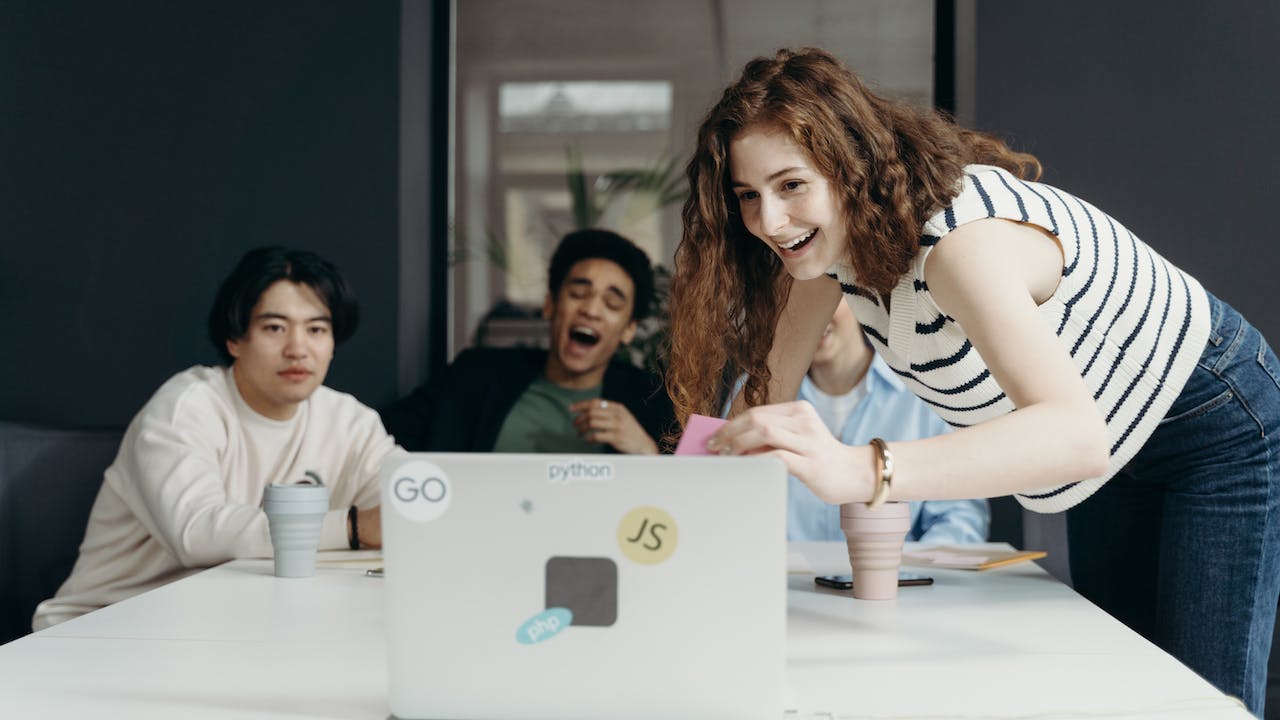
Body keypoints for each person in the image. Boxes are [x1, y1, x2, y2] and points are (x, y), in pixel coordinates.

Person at [666, 47, 1280, 716]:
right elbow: (761, 404)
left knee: (1200, 704)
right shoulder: (818, 260)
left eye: (791, 186)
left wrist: (858, 469)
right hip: (1116, 440)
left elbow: (1074, 437)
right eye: (748, 197)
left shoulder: (958, 245)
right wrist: (675, 541)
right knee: (1126, 693)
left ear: (851, 168)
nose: (769, 223)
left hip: (1211, 420)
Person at [33, 247, 401, 630]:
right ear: (234, 339)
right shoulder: (186, 407)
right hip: (100, 630)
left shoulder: (349, 420)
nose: (298, 349)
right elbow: (196, 533)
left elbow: (407, 497)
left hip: (224, 630)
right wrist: (356, 527)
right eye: (275, 328)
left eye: (316, 329)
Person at [382, 228, 673, 454]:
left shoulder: (650, 402)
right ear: (550, 305)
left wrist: (646, 451)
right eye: (578, 294)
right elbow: (379, 441)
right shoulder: (475, 375)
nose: (591, 310)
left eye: (611, 303)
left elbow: (689, 504)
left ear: (628, 330)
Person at [778, 299, 987, 543]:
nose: (809, 313)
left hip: (900, 577)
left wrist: (908, 573)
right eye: (788, 301)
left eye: (818, 293)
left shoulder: (925, 392)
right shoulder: (755, 397)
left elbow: (961, 517)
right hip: (784, 580)